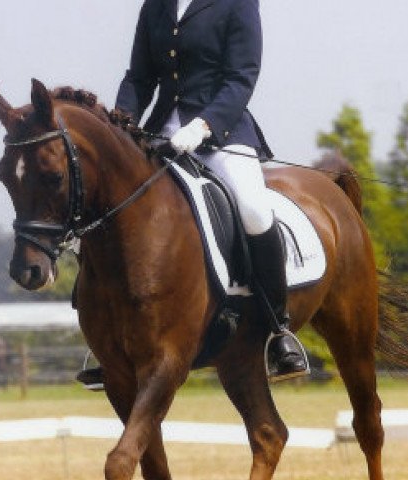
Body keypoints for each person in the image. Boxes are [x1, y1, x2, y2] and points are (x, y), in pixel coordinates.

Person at [78, 0, 307, 386]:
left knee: (253, 208)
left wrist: (203, 126)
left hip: (221, 132)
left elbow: (240, 78)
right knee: (111, 207)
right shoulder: (157, 5)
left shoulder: (237, 3)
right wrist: (120, 124)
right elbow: (139, 77)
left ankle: (277, 328)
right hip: (158, 132)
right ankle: (105, 337)